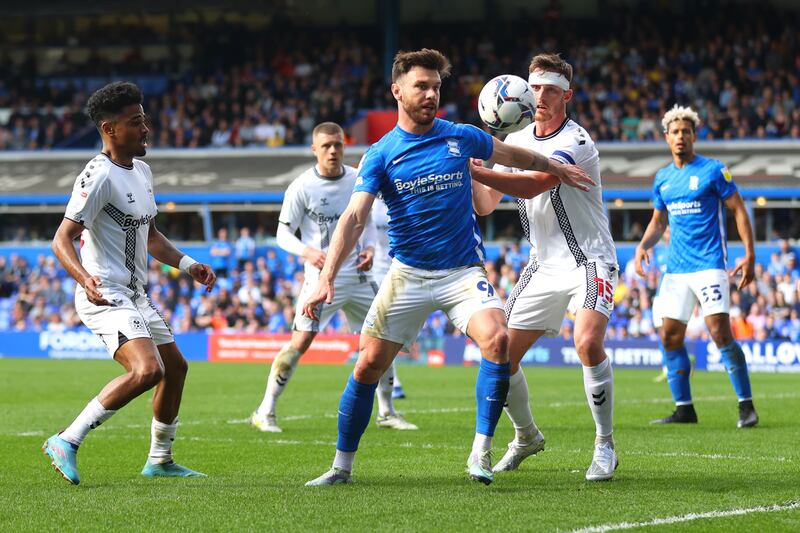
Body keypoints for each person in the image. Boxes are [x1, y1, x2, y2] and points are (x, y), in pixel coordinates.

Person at [302, 48, 593, 486]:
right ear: (396, 91)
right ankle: (341, 467)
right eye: (421, 86)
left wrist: (555, 166)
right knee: (365, 367)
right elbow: (354, 217)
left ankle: (481, 452)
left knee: (497, 340)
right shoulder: (381, 154)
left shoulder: (461, 136)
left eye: (436, 87)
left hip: (462, 272)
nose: (431, 94)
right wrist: (325, 279)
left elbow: (515, 157)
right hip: (407, 275)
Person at [43, 82, 217, 485]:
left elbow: (151, 235)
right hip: (105, 293)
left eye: (145, 120)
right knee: (147, 371)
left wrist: (189, 265)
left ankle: (160, 460)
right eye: (136, 122)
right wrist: (85, 278)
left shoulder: (141, 170)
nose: (146, 129)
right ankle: (66, 439)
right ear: (110, 129)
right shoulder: (98, 175)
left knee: (175, 368)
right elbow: (61, 238)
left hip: (136, 293)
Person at [469, 53, 619, 481]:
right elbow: (484, 206)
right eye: (534, 88)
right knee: (500, 353)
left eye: (550, 89)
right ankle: (526, 436)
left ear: (567, 95)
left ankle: (605, 445)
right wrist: (478, 167)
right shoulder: (514, 140)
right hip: (542, 265)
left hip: (590, 260)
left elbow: (538, 180)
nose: (540, 96)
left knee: (587, 342)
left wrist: (481, 164)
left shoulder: (577, 142)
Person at [250, 122, 417, 433]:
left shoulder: (357, 178)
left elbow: (363, 221)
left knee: (384, 338)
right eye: (326, 146)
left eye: (338, 145)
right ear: (315, 149)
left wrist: (367, 249)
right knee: (300, 341)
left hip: (357, 275)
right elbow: (282, 234)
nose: (333, 151)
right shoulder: (301, 187)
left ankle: (387, 412)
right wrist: (307, 252)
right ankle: (265, 410)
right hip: (320, 279)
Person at [634, 104, 758, 428]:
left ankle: (746, 405)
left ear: (694, 136)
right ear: (666, 137)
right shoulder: (662, 178)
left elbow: (739, 210)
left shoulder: (714, 170)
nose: (680, 137)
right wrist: (642, 246)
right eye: (675, 132)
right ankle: (684, 408)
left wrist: (750, 254)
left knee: (719, 332)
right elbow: (659, 220)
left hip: (710, 264)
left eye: (686, 132)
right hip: (676, 270)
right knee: (670, 338)